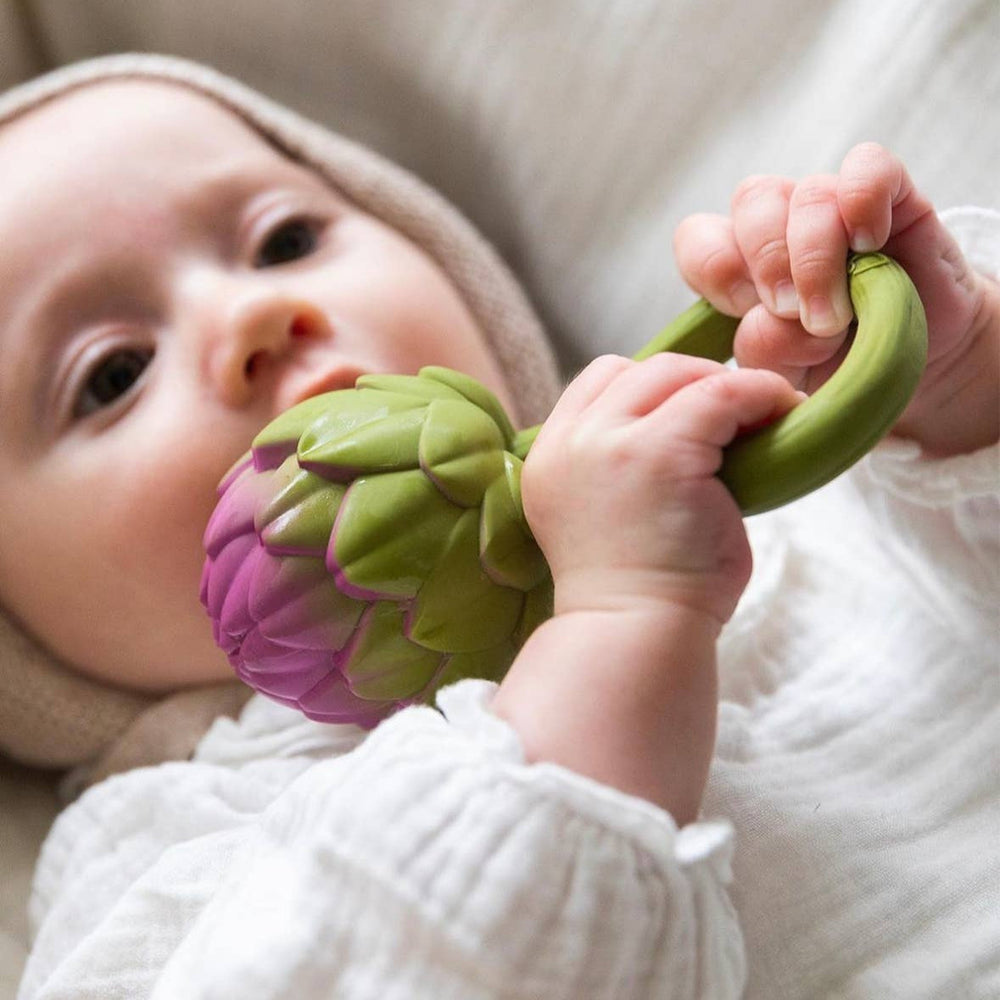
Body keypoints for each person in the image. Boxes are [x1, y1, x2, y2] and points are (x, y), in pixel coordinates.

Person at [0, 54, 996, 999]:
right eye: (111, 374)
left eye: (284, 242)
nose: (253, 317)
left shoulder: (762, 515)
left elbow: (963, 629)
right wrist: (617, 626)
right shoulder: (154, 851)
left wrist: (954, 388)